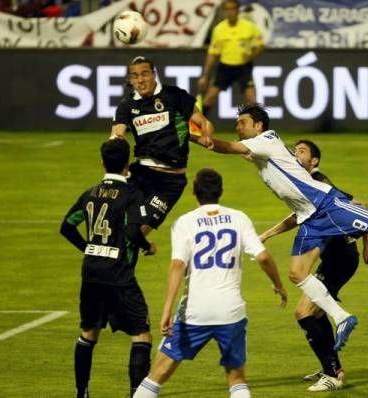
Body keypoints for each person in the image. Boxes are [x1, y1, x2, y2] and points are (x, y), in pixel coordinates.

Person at [206, 102, 368, 353]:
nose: (237, 127)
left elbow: (228, 146)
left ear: (258, 126)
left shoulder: (267, 139)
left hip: (326, 205)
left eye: (242, 123)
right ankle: (341, 318)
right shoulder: (263, 151)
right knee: (296, 273)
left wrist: (200, 138)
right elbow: (247, 153)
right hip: (309, 217)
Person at [133, 168, 287, 398]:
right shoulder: (238, 217)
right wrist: (278, 284)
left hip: (195, 312)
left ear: (194, 192)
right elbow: (263, 256)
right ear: (220, 192)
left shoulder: (184, 223)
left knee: (156, 376)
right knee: (236, 380)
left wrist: (166, 310)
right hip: (231, 311)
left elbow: (177, 266)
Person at [259, 139, 368, 392]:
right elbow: (297, 218)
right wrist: (268, 235)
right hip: (334, 257)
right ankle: (331, 368)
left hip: (341, 259)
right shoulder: (301, 183)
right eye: (294, 150)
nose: (294, 153)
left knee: (304, 312)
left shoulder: (319, 182)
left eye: (301, 151)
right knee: (316, 311)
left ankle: (333, 374)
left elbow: (360, 205)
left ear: (314, 161)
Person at [60, 139, 156, 398]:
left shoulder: (90, 193)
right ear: (127, 165)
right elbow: (132, 230)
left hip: (91, 273)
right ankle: (136, 394)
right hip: (119, 274)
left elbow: (67, 226)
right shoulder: (131, 194)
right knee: (141, 335)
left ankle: (82, 393)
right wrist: (147, 246)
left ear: (102, 162)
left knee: (88, 334)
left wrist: (88, 248)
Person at [111, 55, 214, 234]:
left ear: (154, 74)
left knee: (138, 233)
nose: (140, 80)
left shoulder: (175, 95)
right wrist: (116, 149)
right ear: (131, 80)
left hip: (170, 181)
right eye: (135, 76)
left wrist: (206, 135)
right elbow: (116, 135)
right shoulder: (126, 105)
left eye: (144, 74)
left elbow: (204, 122)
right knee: (113, 219)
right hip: (141, 172)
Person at [196, 0, 265, 115]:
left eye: (232, 9)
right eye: (227, 9)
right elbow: (212, 54)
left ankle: (256, 129)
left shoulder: (249, 27)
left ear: (238, 10)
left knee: (251, 100)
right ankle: (200, 127)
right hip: (225, 67)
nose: (230, 12)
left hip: (243, 67)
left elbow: (260, 46)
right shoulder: (219, 29)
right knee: (209, 97)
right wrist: (205, 76)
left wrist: (250, 56)